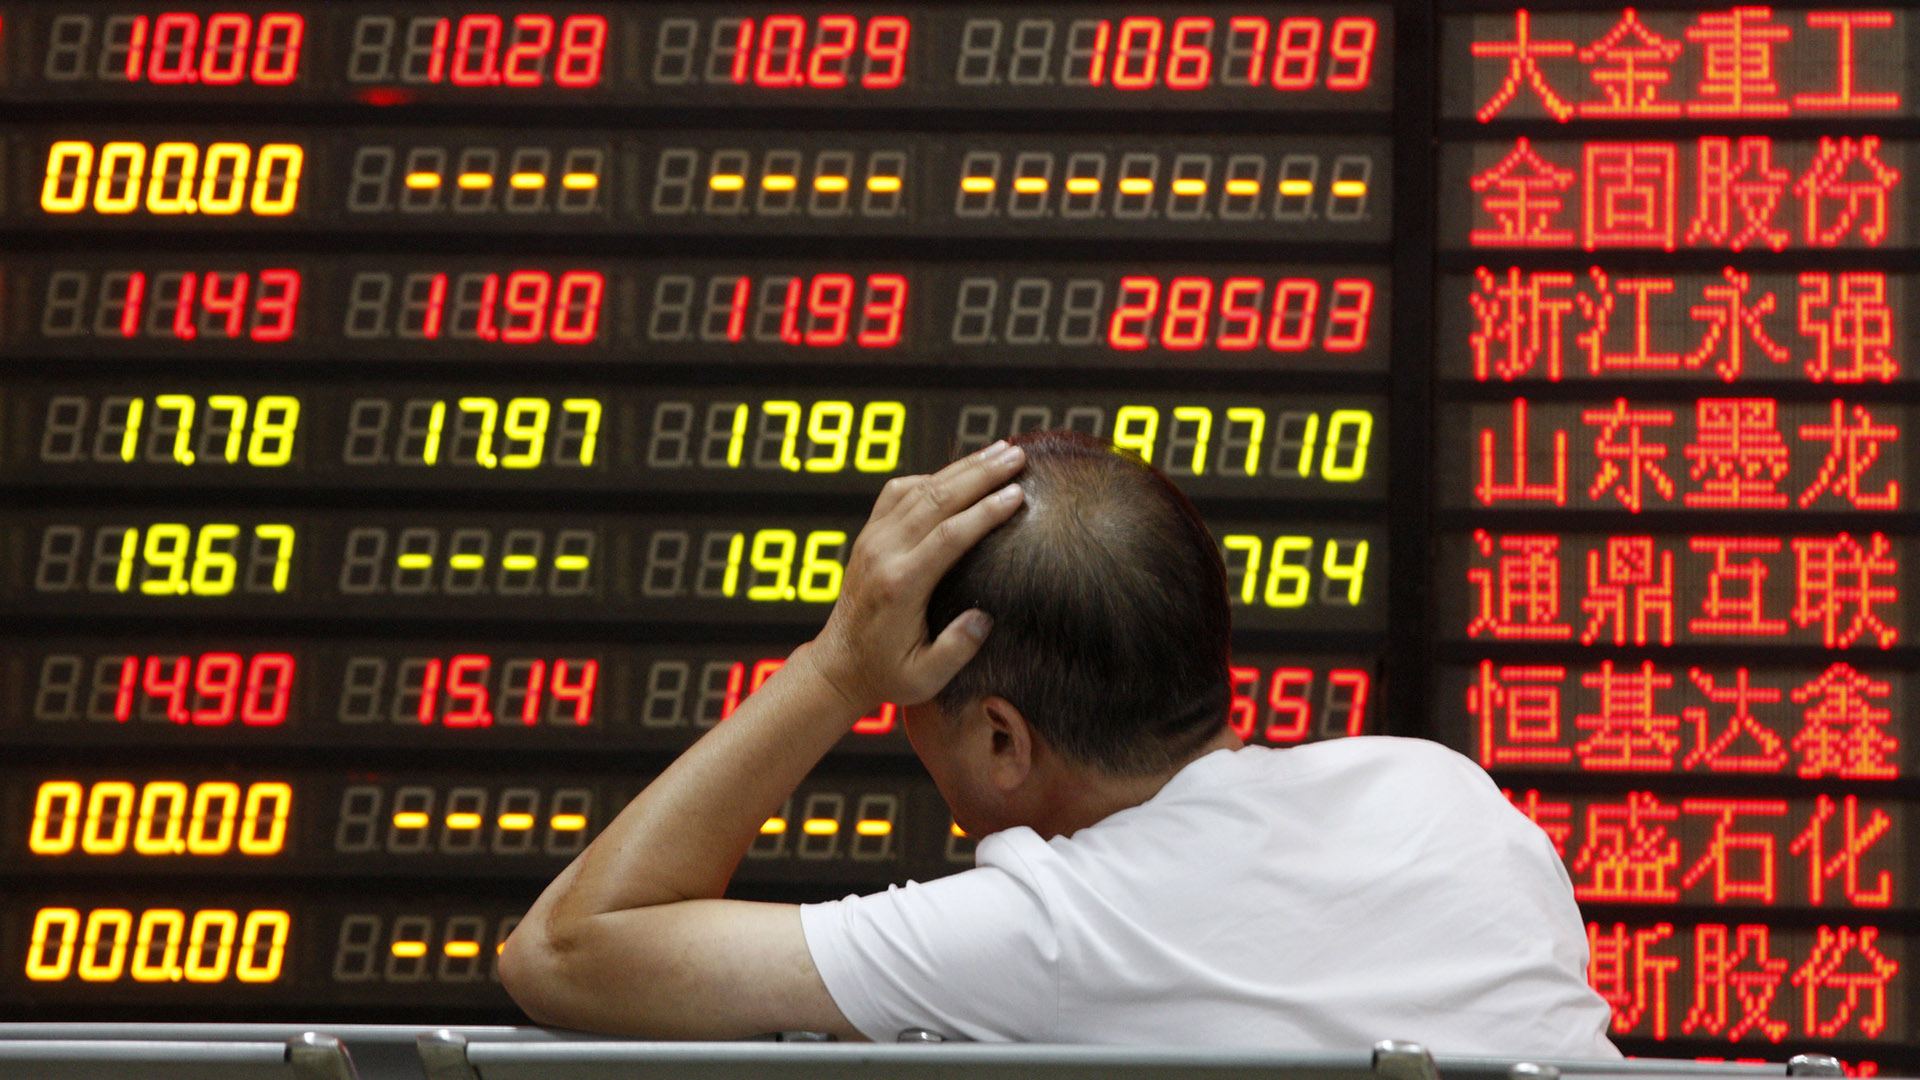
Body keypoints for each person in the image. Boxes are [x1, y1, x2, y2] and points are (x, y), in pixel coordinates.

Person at [498, 431, 1619, 1056]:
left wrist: (836, 664)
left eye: (912, 700)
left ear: (1001, 738)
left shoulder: (1047, 932)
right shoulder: (1444, 793)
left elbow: (563, 952)